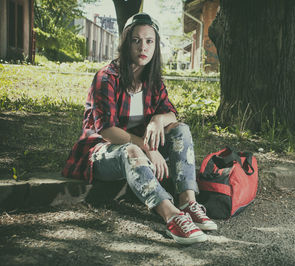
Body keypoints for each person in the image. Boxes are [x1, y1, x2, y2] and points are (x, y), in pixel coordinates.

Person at [62, 13, 217, 244]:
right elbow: (107, 131)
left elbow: (171, 113)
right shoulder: (107, 78)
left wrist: (157, 121)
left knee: (180, 129)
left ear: (155, 45)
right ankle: (172, 216)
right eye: (136, 40)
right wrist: (147, 147)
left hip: (139, 149)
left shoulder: (152, 80)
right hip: (103, 152)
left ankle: (187, 202)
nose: (142, 47)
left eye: (149, 41)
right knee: (130, 150)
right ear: (126, 43)